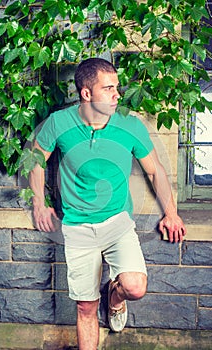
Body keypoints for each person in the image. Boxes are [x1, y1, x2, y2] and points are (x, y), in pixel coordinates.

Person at [29, 58, 186, 350]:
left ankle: (114, 299)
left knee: (134, 287)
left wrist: (171, 213)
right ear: (86, 93)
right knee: (86, 308)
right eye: (109, 88)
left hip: (117, 222)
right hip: (77, 227)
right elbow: (36, 161)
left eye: (117, 87)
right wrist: (39, 203)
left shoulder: (129, 124)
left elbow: (154, 170)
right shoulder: (59, 123)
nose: (117, 95)